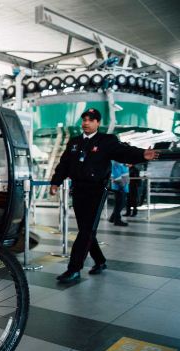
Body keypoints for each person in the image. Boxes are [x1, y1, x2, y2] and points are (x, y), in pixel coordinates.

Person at [50, 108, 158, 283]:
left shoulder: (106, 141)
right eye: (84, 120)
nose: (86, 123)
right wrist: (56, 181)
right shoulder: (75, 142)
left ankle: (74, 269)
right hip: (78, 190)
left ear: (97, 123)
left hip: (96, 191)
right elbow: (65, 163)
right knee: (86, 230)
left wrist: (141, 155)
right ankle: (100, 261)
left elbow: (123, 151)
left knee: (86, 230)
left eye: (90, 120)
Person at [109, 161, 129, 226]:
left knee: (120, 203)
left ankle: (113, 218)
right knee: (120, 203)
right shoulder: (116, 162)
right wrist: (122, 184)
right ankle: (117, 220)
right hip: (119, 186)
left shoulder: (122, 162)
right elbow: (116, 174)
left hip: (123, 186)